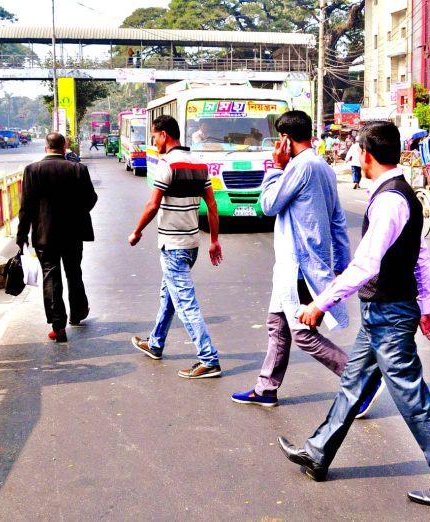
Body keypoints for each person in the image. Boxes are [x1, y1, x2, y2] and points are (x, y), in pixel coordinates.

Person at [280, 121, 430, 507]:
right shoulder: (397, 194)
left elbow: (367, 264)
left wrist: (321, 303)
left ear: (366, 155)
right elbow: (418, 255)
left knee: (410, 397)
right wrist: (426, 306)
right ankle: (318, 452)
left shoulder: (389, 200)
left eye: (357, 151)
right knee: (353, 384)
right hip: (385, 311)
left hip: (389, 313)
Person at [230, 111, 383, 415]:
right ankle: (266, 387)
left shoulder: (300, 167)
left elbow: (268, 204)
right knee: (277, 326)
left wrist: (275, 167)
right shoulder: (322, 167)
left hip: (298, 266)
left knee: (302, 333)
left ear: (284, 139)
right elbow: (338, 219)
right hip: (294, 264)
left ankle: (360, 379)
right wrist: (340, 259)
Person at [128, 115, 224, 378]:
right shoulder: (199, 163)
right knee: (170, 295)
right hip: (192, 243)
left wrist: (136, 231)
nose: (154, 141)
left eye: (154, 136)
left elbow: (152, 204)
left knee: (185, 303)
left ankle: (209, 358)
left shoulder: (167, 164)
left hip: (173, 245)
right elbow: (212, 206)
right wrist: (214, 240)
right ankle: (155, 343)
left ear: (164, 135)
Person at [16, 133, 98, 342]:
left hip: (45, 234)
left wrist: (22, 235)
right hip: (73, 233)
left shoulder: (33, 170)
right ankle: (77, 313)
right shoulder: (78, 169)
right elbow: (91, 198)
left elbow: (26, 207)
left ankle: (57, 326)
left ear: (46, 148)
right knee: (74, 272)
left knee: (51, 277)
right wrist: (76, 213)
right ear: (64, 147)